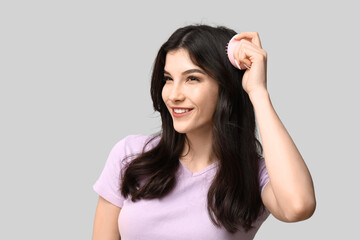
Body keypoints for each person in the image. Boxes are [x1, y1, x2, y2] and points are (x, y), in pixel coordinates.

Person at [92, 24, 316, 240]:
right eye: (168, 79)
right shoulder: (130, 154)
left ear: (226, 88)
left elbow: (298, 206)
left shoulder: (252, 176)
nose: (174, 95)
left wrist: (257, 92)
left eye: (192, 78)